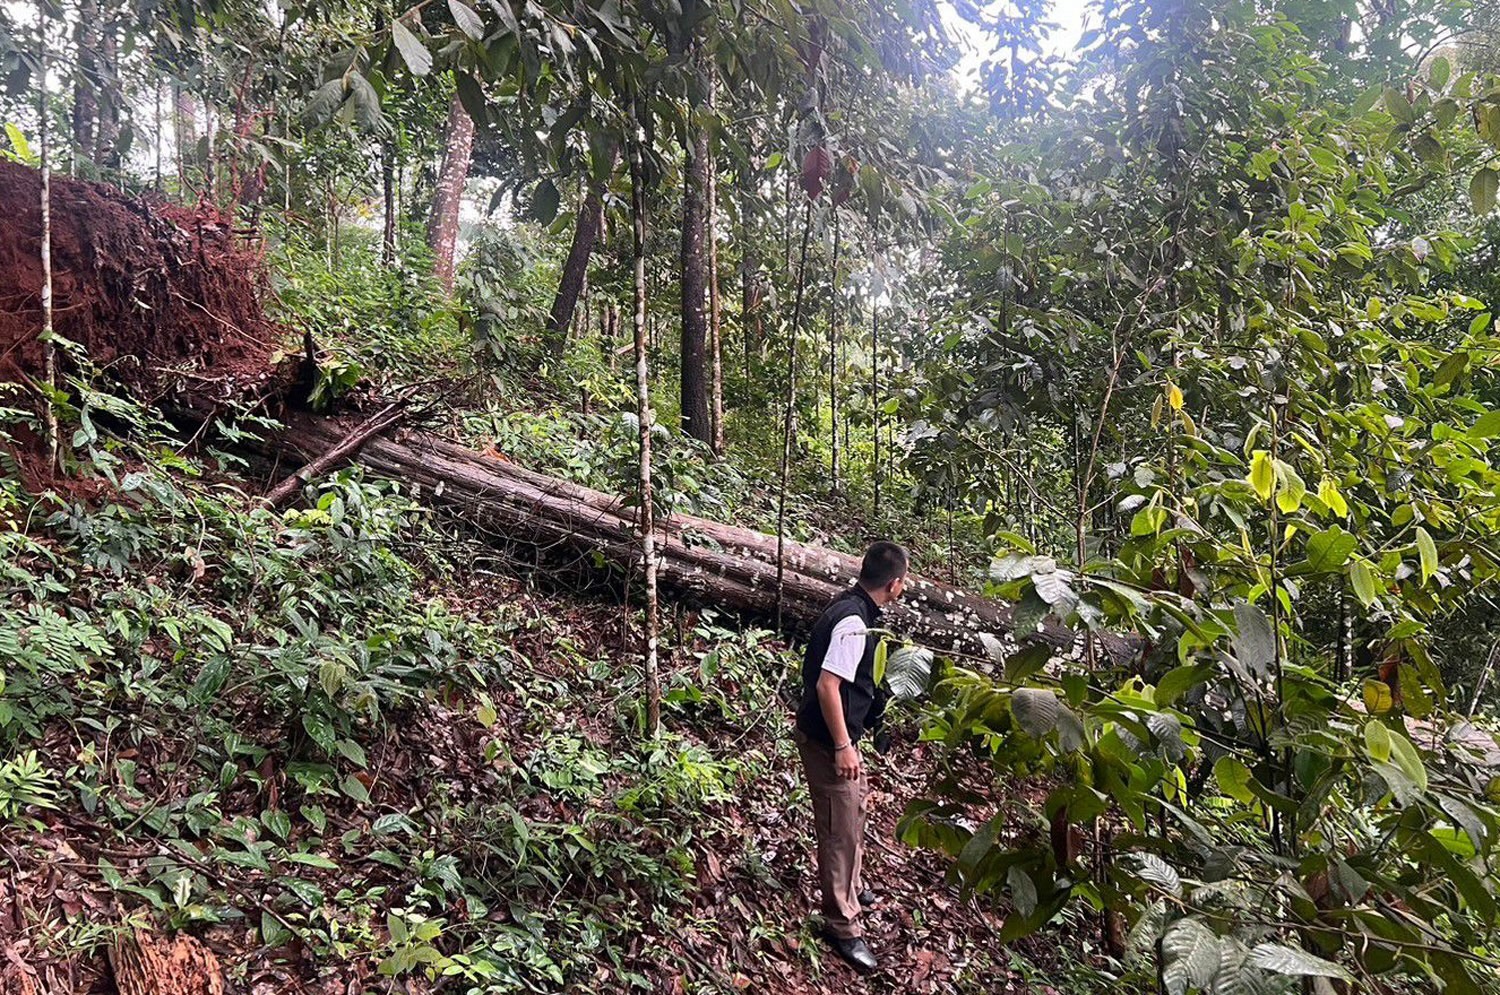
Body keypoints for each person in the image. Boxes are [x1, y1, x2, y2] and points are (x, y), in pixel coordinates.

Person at [792, 540, 909, 974]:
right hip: (828, 741)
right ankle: (842, 925)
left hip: (842, 737)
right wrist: (842, 746)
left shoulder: (854, 606)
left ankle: (854, 887)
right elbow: (827, 685)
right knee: (838, 830)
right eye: (904, 581)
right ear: (894, 584)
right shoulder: (853, 623)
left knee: (854, 809)